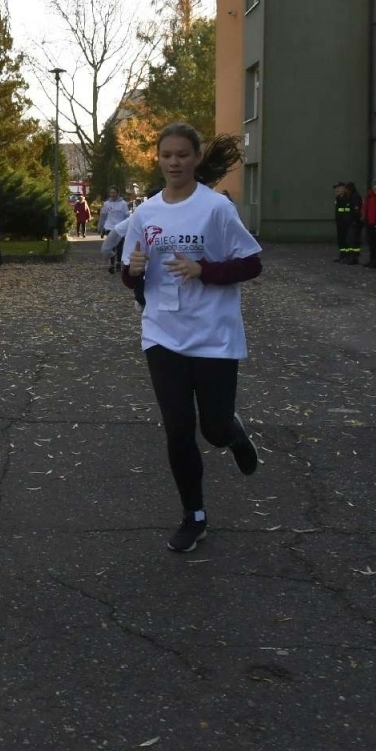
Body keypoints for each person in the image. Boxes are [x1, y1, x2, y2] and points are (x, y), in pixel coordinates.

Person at [122, 123, 263, 555]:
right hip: (163, 332)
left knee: (213, 428)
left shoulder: (216, 209)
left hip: (213, 334)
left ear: (196, 158)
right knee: (178, 429)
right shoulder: (146, 213)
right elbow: (130, 276)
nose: (175, 162)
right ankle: (194, 516)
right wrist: (136, 272)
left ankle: (232, 432)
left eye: (183, 154)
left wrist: (207, 271)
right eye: (167, 155)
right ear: (158, 159)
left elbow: (252, 264)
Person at [333, 182, 360, 264]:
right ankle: (343, 255)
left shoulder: (349, 197)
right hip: (340, 222)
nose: (337, 190)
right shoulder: (338, 198)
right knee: (341, 239)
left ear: (344, 188)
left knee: (350, 240)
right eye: (336, 188)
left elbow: (352, 210)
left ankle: (350, 256)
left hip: (348, 222)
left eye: (339, 188)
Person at [362, 179, 376, 268]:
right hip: (369, 223)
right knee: (371, 243)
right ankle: (372, 260)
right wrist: (363, 217)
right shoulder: (368, 196)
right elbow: (364, 208)